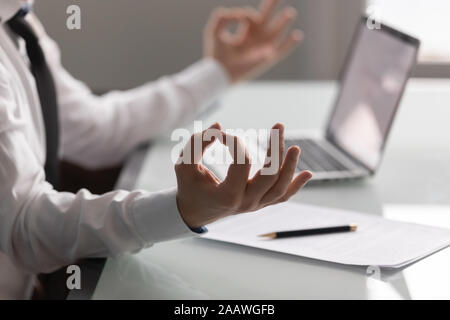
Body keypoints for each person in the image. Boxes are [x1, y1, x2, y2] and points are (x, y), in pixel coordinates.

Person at [0, 0, 312, 299]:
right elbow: (23, 228)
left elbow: (94, 129)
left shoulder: (16, 18)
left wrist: (219, 71)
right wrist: (179, 209)